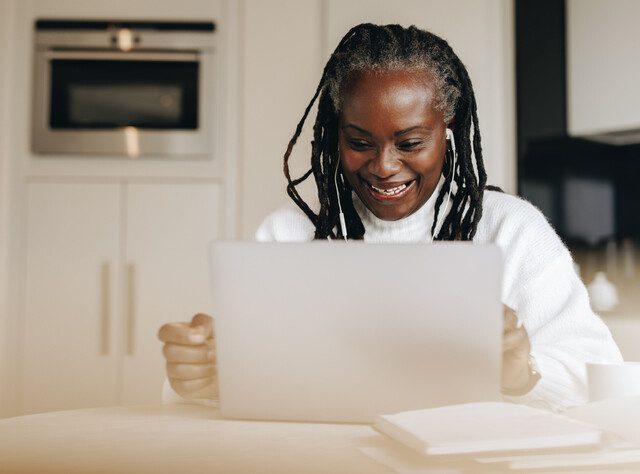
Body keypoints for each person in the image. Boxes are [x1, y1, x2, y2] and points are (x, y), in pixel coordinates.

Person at [158, 23, 621, 409]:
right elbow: (223, 380)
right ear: (334, 135)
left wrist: (522, 371)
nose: (383, 166)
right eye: (360, 142)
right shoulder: (289, 233)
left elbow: (599, 379)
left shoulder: (511, 231)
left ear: (449, 130)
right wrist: (199, 380)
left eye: (410, 143)